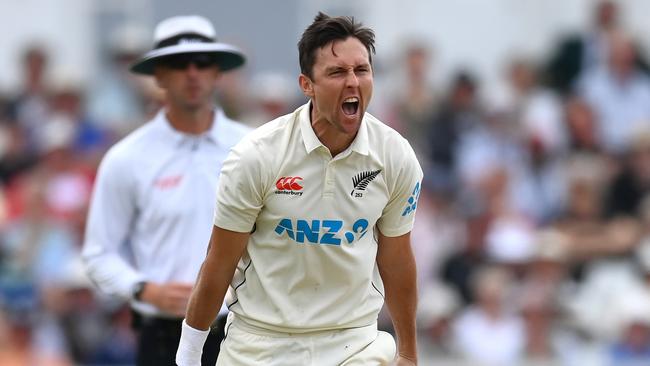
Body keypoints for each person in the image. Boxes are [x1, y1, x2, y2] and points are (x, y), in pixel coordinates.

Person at [176, 12, 423, 366]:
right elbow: (218, 263)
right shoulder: (256, 156)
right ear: (306, 85)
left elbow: (397, 261)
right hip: (261, 342)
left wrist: (409, 353)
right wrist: (187, 357)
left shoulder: (395, 156)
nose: (353, 82)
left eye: (361, 70)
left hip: (354, 341)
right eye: (337, 72)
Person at [81, 15, 251, 366]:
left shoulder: (252, 147)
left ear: (217, 72)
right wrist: (145, 289)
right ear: (158, 75)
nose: (192, 73)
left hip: (242, 331)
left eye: (202, 63)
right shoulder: (127, 158)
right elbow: (98, 254)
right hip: (162, 335)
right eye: (178, 64)